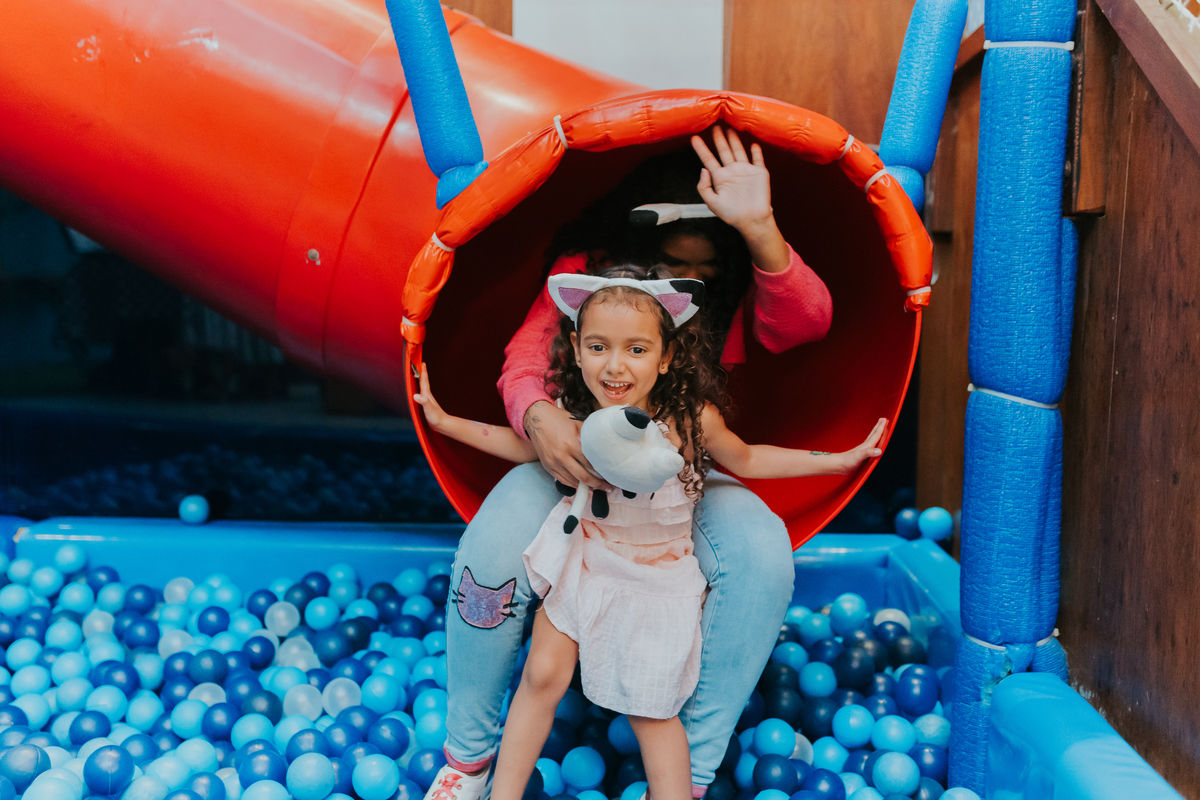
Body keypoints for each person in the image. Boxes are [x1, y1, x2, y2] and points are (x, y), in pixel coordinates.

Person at [424, 126, 836, 800]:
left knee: (761, 551)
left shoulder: (724, 297)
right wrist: (541, 417)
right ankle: (470, 762)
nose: (688, 284)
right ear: (632, 256)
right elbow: (525, 363)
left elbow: (809, 320)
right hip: (571, 466)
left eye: (703, 272)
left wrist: (758, 228)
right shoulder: (583, 274)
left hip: (677, 485)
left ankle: (686, 781)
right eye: (673, 265)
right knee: (494, 548)